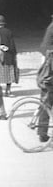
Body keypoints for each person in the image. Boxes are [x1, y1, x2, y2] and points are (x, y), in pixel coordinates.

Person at [37, 15, 53, 143]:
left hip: (47, 66)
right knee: (47, 102)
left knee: (46, 102)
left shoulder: (51, 26)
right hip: (49, 68)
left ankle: (42, 132)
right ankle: (42, 132)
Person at [0, 15, 18, 97]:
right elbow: (12, 46)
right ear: (4, 24)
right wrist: (13, 53)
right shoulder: (8, 32)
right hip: (8, 56)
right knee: (9, 74)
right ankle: (8, 91)